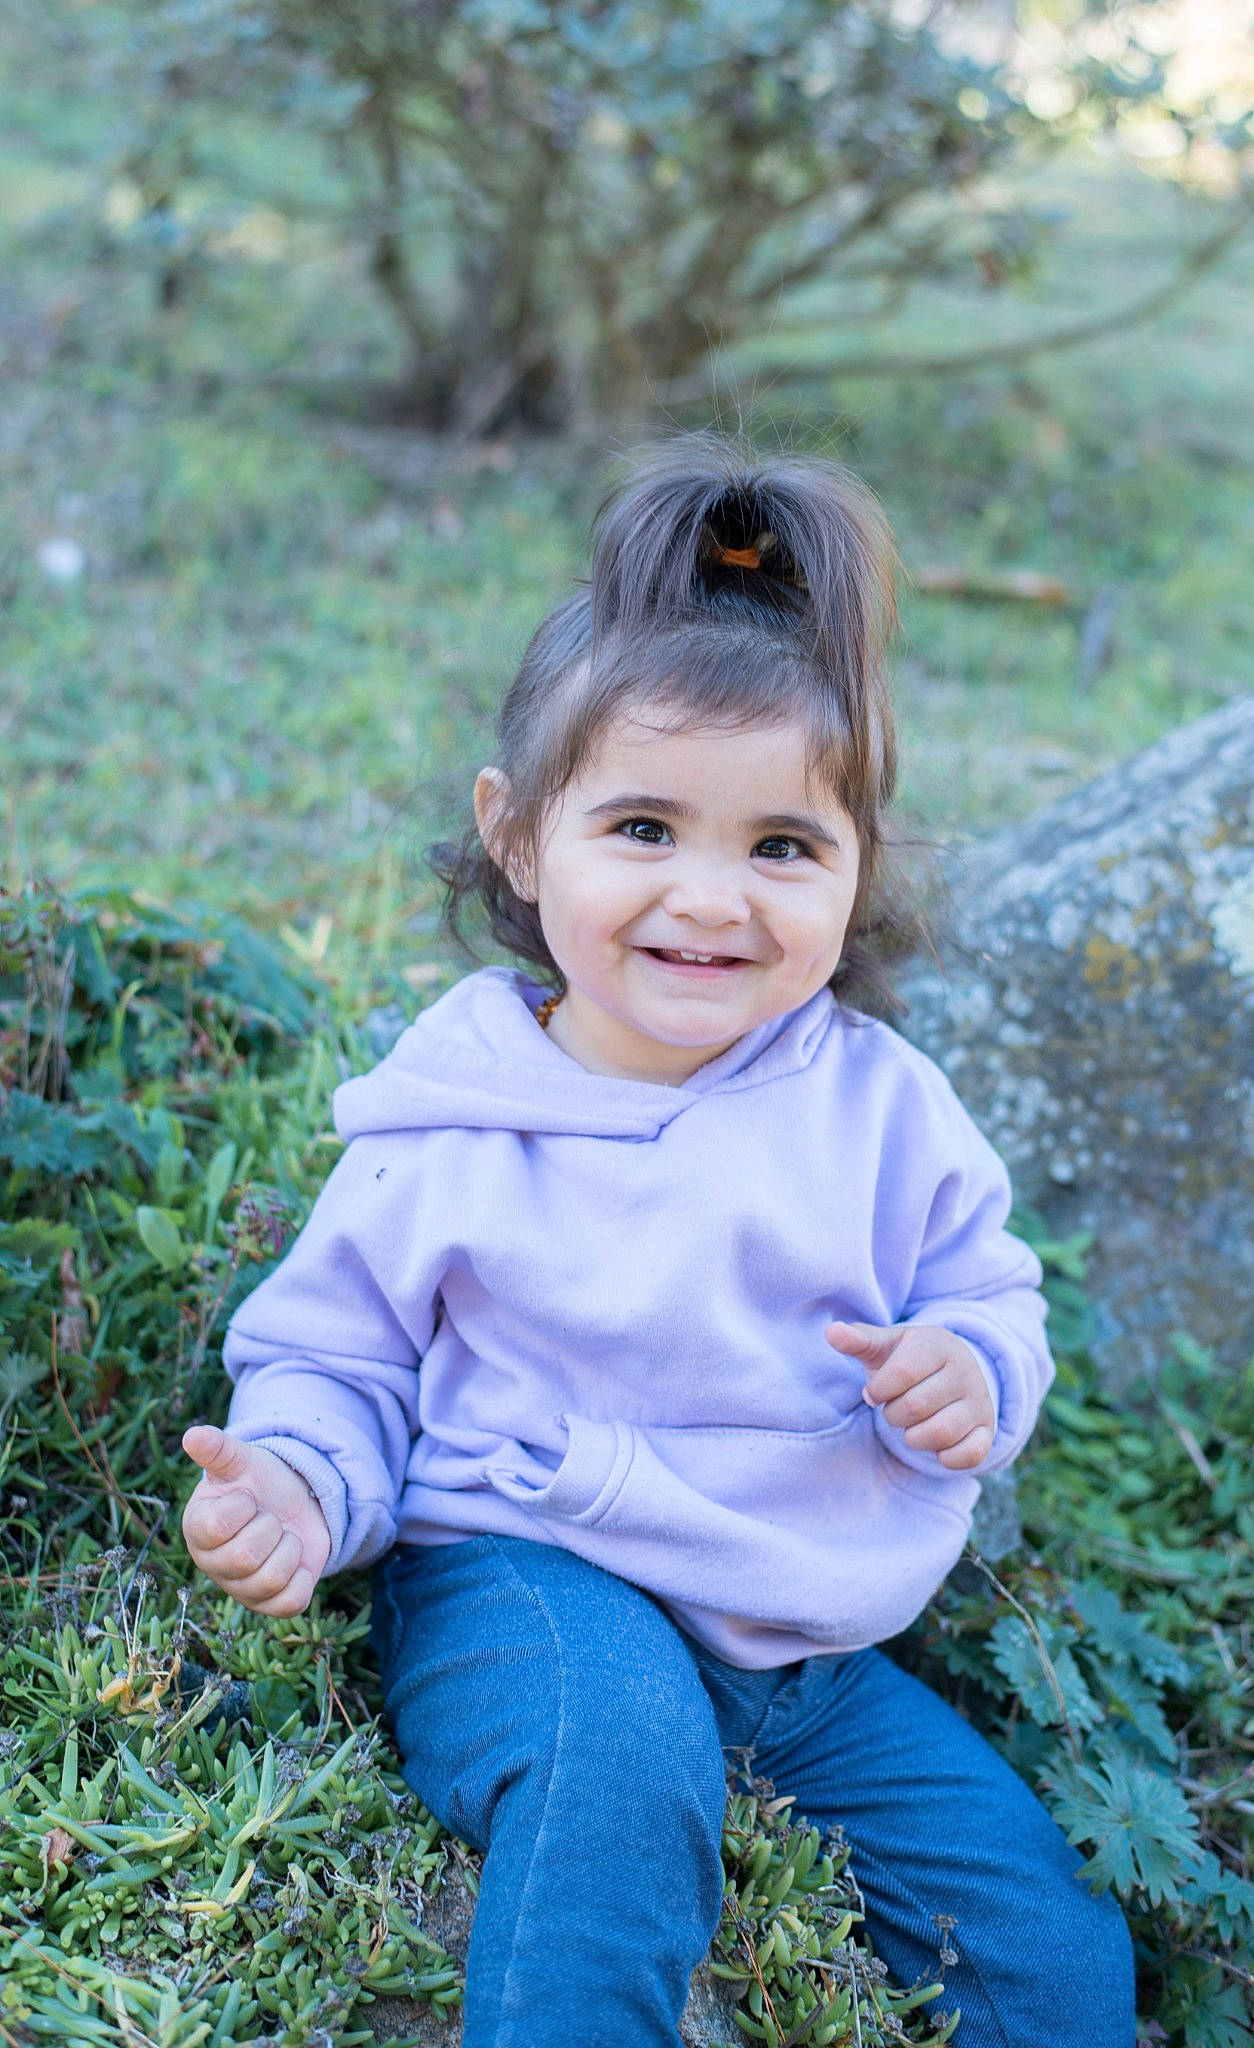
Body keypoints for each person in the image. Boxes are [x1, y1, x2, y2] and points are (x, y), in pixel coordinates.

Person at [180, 434, 1136, 2046]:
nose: (712, 896)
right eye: (642, 828)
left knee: (1050, 1951)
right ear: (516, 832)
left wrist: (969, 1369)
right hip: (530, 1582)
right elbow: (338, 1352)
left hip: (796, 1645)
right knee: (619, 1766)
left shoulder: (881, 1108)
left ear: (855, 872)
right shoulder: (460, 1118)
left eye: (781, 846)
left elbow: (987, 1285)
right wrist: (298, 1482)